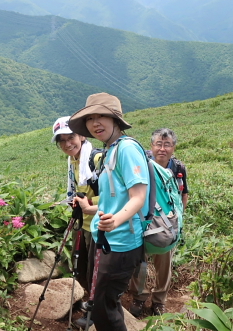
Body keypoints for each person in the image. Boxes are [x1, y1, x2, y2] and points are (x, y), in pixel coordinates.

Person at [68, 93, 149, 331]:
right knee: (99, 302)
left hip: (122, 241)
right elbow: (115, 197)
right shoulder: (110, 150)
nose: (95, 123)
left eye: (102, 116)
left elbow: (138, 196)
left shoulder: (127, 149)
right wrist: (90, 208)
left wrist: (115, 221)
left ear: (116, 119)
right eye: (91, 118)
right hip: (105, 236)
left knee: (104, 306)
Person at [128, 128, 189, 317]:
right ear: (152, 146)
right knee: (138, 262)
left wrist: (177, 221)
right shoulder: (143, 164)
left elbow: (183, 194)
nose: (162, 149)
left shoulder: (178, 168)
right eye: (158, 144)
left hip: (167, 224)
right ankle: (139, 297)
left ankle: (159, 301)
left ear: (173, 147)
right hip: (142, 220)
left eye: (167, 144)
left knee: (164, 263)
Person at [50, 116, 100, 318]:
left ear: (81, 135)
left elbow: (116, 197)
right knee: (81, 267)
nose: (67, 143)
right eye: (61, 140)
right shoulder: (73, 161)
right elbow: (76, 191)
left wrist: (89, 206)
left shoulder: (95, 159)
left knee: (95, 270)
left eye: (70, 137)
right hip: (82, 223)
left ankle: (95, 310)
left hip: (99, 224)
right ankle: (86, 300)